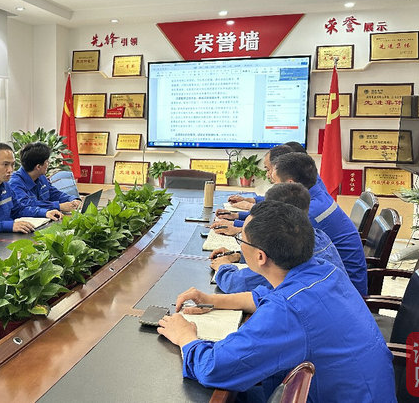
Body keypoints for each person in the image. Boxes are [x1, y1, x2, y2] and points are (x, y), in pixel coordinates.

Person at [157, 201, 396, 402]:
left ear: (260, 256)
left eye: (241, 239)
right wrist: (212, 299)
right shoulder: (325, 270)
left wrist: (185, 336)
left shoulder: (287, 311)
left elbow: (214, 368)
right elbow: (264, 296)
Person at [211, 183, 347, 294]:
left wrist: (222, 266)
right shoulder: (316, 235)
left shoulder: (284, 259)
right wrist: (239, 256)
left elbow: (235, 283)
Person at [271, 152, 368, 295]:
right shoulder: (316, 195)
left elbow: (278, 257)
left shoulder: (310, 213)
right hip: (339, 280)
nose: (273, 187)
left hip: (344, 289)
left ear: (290, 184)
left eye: (274, 182)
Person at [9, 142, 82, 213]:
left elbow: (54, 193)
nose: (48, 163)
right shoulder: (14, 183)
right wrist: (59, 206)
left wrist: (72, 199)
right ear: (38, 167)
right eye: (47, 161)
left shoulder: (41, 177)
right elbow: (26, 205)